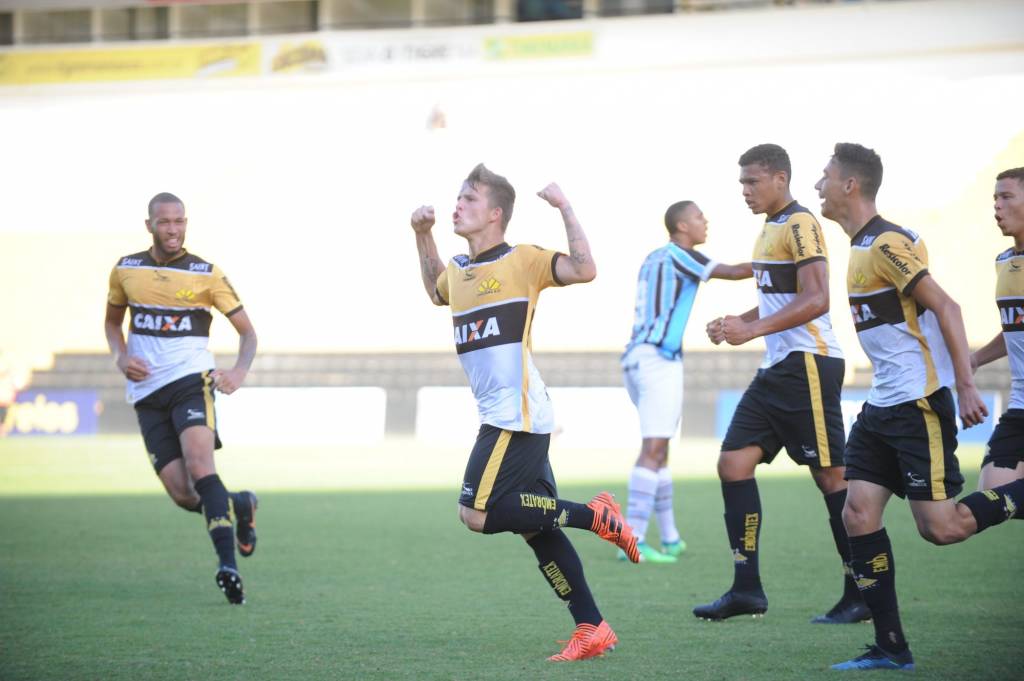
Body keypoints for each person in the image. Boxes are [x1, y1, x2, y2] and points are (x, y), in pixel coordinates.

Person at [410, 163, 639, 662]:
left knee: (475, 514)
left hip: (514, 415)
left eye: (469, 199)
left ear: (495, 213)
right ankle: (592, 627)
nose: (457, 205)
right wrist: (422, 234)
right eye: (458, 197)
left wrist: (565, 207)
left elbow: (585, 268)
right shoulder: (460, 270)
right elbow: (435, 291)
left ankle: (594, 515)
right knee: (536, 527)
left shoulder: (523, 260)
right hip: (509, 414)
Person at [815, 145, 1024, 671]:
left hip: (916, 406)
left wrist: (966, 383)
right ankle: (891, 647)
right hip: (881, 405)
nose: (818, 185)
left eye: (825, 176)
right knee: (857, 513)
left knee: (942, 528)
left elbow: (946, 306)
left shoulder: (886, 242)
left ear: (849, 186)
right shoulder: (863, 244)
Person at [694, 143, 867, 624]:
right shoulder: (769, 227)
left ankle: (861, 590)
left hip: (808, 363)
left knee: (831, 477)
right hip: (779, 367)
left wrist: (751, 331)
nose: (745, 191)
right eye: (741, 183)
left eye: (752, 181)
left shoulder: (801, 223)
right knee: (733, 463)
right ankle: (746, 589)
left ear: (780, 179)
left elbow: (817, 298)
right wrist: (738, 321)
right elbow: (779, 301)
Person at [104, 192, 259, 605]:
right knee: (183, 493)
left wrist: (238, 372)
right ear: (150, 225)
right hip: (147, 392)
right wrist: (121, 357)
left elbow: (248, 333)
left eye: (179, 221)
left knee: (200, 466)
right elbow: (112, 324)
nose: (173, 230)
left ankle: (228, 567)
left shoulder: (206, 274)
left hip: (191, 380)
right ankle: (239, 504)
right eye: (165, 222)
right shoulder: (126, 269)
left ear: (186, 223)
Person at [620, 201, 752, 564]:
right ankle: (632, 539)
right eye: (698, 216)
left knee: (660, 447)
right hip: (658, 359)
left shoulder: (654, 257)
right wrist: (781, 263)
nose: (704, 221)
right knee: (653, 449)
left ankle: (670, 537)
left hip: (637, 356)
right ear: (681, 226)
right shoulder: (680, 255)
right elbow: (733, 271)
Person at [971, 168, 1024, 491]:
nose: (997, 206)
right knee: (990, 497)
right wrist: (975, 359)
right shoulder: (1003, 261)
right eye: (995, 198)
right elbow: (1015, 329)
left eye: (1006, 197)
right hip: (1019, 405)